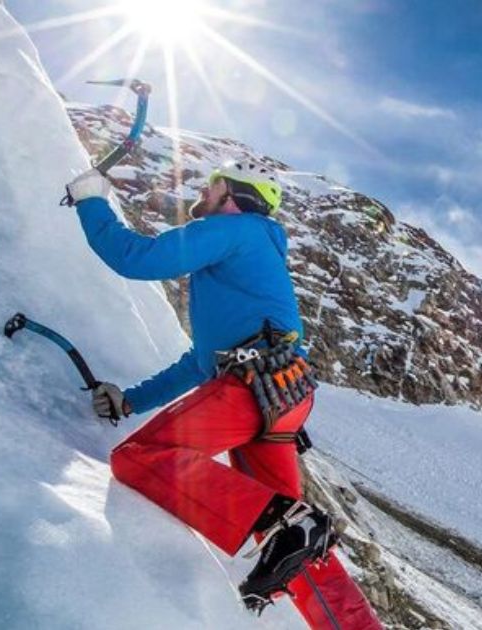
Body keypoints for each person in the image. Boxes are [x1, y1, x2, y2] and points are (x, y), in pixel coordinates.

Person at [64, 160, 333, 609]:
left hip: (252, 390)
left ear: (230, 191)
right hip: (284, 395)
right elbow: (198, 365)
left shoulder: (237, 228)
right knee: (288, 541)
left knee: (138, 457)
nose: (203, 191)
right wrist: (130, 402)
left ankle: (289, 521)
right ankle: (320, 610)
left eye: (211, 184)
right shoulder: (249, 252)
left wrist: (91, 200)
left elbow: (138, 258)